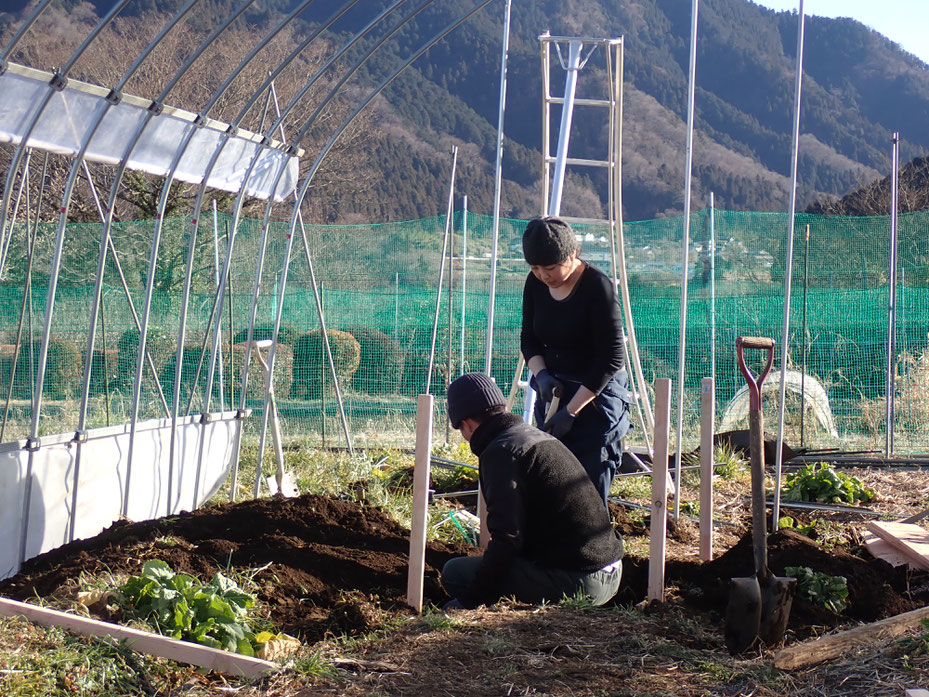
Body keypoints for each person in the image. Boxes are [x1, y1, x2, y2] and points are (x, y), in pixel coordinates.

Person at [440, 372, 624, 611]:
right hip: (610, 570)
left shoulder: (501, 452)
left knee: (455, 573)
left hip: (582, 582)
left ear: (467, 424)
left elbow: (508, 538)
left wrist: (468, 601)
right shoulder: (535, 437)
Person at [520, 216, 632, 505]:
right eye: (535, 268)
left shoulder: (598, 287)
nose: (544, 276)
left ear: (572, 254)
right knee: (552, 487)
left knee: (589, 493)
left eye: (550, 267)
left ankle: (596, 549)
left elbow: (611, 357)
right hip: (554, 392)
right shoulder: (534, 284)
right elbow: (529, 339)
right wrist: (541, 375)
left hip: (596, 397)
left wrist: (571, 411)